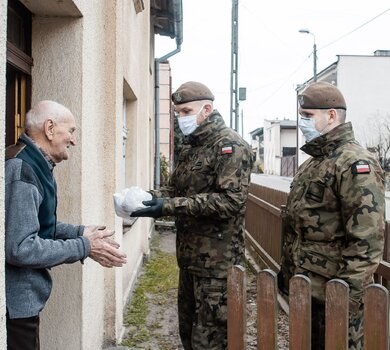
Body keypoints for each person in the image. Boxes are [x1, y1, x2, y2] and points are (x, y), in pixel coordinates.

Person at [131, 81, 253, 350]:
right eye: (177, 113)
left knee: (211, 341)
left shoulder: (231, 146)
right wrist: (148, 197)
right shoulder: (191, 146)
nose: (180, 118)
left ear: (206, 109)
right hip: (189, 260)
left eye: (186, 112)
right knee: (188, 334)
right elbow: (176, 189)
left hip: (218, 265)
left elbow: (229, 202)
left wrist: (168, 206)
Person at [5, 100, 128, 350]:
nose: (73, 140)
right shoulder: (23, 169)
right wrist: (84, 246)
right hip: (16, 307)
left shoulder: (34, 163)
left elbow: (37, 224)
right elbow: (20, 247)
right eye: (71, 131)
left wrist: (80, 233)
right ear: (50, 128)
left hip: (20, 302)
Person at [278, 82, 385, 350]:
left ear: (332, 116)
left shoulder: (354, 163)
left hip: (334, 296)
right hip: (307, 291)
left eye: (307, 116)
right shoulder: (314, 162)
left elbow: (366, 242)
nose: (301, 122)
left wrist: (344, 298)